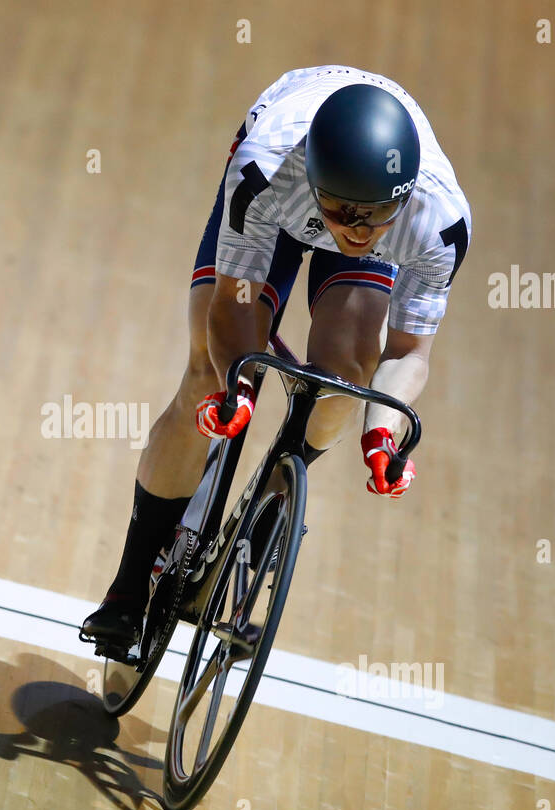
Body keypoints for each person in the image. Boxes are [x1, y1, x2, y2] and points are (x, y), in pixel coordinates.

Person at [80, 66, 473, 649]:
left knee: (348, 372)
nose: (356, 232)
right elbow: (232, 305)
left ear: (404, 196)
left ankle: (277, 496)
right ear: (315, 178)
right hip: (279, 206)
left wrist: (381, 436)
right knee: (205, 373)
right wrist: (235, 388)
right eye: (340, 211)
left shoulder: (437, 221)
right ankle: (129, 586)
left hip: (335, 199)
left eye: (373, 215)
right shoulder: (264, 170)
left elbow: (408, 354)